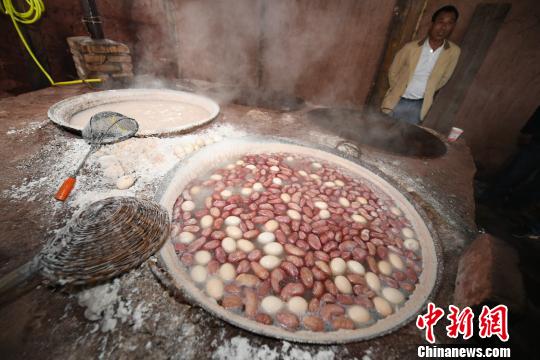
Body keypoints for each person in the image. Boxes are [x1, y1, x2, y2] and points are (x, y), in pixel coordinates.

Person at [381, 5, 461, 124]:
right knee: (383, 132)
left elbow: (444, 79)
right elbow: (393, 71)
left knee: (404, 138)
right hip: (397, 100)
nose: (443, 27)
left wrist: (429, 89)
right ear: (432, 23)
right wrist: (398, 89)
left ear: (453, 27)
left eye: (449, 23)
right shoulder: (411, 47)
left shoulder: (453, 52)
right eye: (440, 21)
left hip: (419, 106)